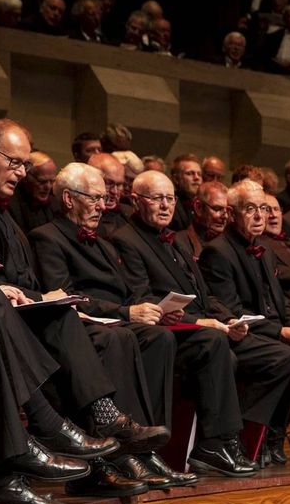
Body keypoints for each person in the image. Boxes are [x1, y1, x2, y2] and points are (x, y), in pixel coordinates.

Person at [0, 119, 171, 496]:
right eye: (16, 163)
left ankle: (110, 446)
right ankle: (84, 437)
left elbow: (20, 279)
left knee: (86, 323)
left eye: (25, 164)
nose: (22, 173)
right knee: (79, 326)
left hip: (11, 310)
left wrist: (32, 295)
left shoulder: (3, 212)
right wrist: (6, 290)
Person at [30, 163, 254, 478]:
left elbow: (129, 293)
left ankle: (201, 444)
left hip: (120, 321)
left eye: (103, 198)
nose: (102, 205)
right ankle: (139, 448)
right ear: (68, 199)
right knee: (154, 337)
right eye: (94, 198)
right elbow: (64, 295)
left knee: (209, 339)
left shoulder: (104, 242)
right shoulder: (47, 237)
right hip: (87, 326)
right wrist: (129, 312)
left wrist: (156, 309)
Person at [113, 170, 290, 471]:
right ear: (136, 201)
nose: (165, 206)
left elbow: (204, 295)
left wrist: (228, 320)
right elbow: (142, 299)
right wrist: (201, 323)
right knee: (224, 347)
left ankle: (232, 441)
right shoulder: (125, 240)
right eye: (156, 199)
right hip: (170, 333)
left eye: (170, 199)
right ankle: (218, 443)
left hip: (202, 328)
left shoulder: (173, 240)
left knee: (284, 357)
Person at [199, 181, 290, 463]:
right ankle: (252, 433)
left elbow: (278, 302)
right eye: (250, 209)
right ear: (231, 213)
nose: (259, 216)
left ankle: (277, 427)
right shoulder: (217, 252)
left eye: (263, 209)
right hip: (245, 333)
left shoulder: (265, 249)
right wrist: (280, 331)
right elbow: (231, 310)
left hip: (275, 330)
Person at [7, 150, 56, 233]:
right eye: (42, 181)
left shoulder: (54, 205)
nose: (48, 187)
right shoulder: (10, 204)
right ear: (26, 176)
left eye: (52, 181)